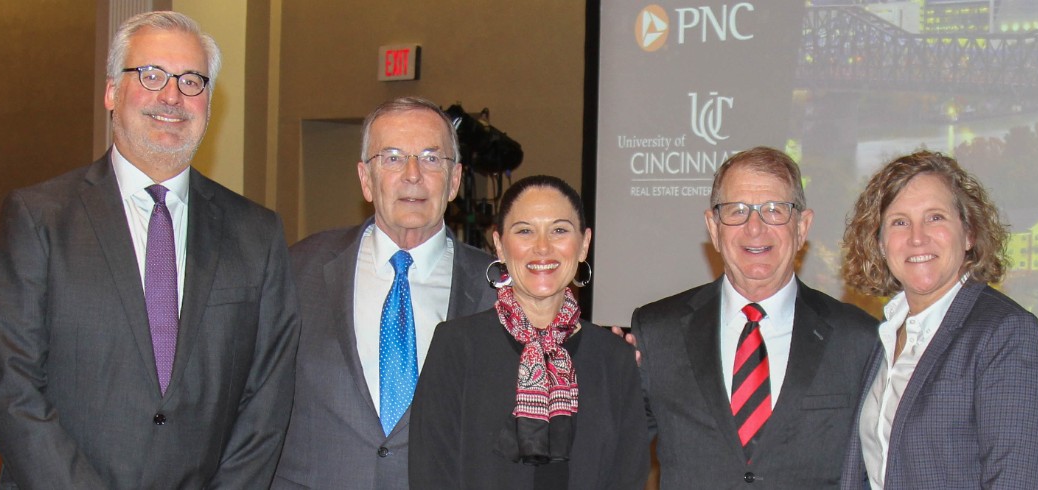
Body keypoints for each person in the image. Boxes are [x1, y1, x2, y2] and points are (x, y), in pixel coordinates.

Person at [0, 11, 299, 489]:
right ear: (111, 92)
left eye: (192, 80)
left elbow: (267, 400)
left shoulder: (257, 233)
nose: (172, 95)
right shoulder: (38, 218)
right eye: (151, 75)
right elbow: (11, 388)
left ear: (210, 103)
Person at [272, 97, 497, 489]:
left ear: (455, 181)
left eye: (431, 158)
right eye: (392, 158)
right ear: (365, 179)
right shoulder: (298, 269)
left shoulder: (498, 291)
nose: (413, 175)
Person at [632, 146, 879, 488]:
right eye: (737, 211)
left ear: (802, 226)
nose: (755, 228)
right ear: (714, 227)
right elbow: (612, 452)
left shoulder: (859, 339)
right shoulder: (657, 332)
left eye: (774, 210)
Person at [409, 175, 650, 489]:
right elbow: (431, 474)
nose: (542, 247)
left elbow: (627, 477)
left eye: (559, 230)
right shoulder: (457, 345)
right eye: (524, 231)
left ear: (584, 244)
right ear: (499, 245)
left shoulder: (613, 357)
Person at [838, 151, 1038, 489]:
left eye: (935, 217)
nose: (917, 237)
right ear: (880, 243)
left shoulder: (1006, 335)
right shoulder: (886, 334)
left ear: (969, 233)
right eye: (899, 222)